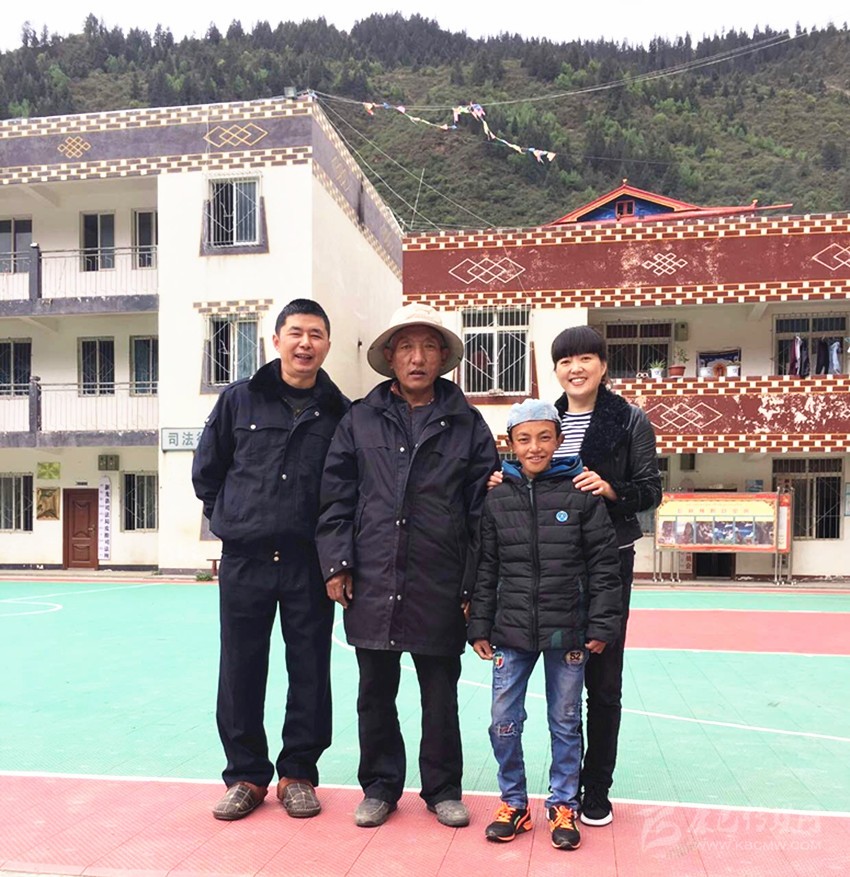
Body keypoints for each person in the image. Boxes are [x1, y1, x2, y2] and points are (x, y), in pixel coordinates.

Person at [317, 303, 500, 830]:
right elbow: (335, 498)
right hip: (372, 578)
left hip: (440, 581)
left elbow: (482, 515)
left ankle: (443, 789)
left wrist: (472, 585)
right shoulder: (359, 419)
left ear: (442, 357)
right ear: (390, 356)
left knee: (440, 694)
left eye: (427, 347)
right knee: (374, 693)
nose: (417, 358)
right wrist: (338, 564)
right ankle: (379, 787)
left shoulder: (468, 425)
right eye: (406, 347)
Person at [192, 299, 349, 821]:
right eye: (296, 332)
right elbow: (207, 473)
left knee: (310, 669)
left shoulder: (340, 412)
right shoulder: (239, 400)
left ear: (327, 345)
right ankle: (246, 776)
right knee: (240, 668)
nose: (306, 343)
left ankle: (298, 774)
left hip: (309, 563)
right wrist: (232, 519)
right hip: (246, 560)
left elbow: (348, 487)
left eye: (316, 334)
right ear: (276, 339)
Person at [469, 399, 622, 850]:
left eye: (543, 437)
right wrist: (479, 624)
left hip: (567, 631)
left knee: (565, 721)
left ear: (558, 440)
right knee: (503, 720)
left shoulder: (582, 494)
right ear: (511, 444)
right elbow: (486, 567)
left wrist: (601, 624)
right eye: (524, 439)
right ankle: (513, 803)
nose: (534, 447)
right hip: (510, 631)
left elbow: (604, 566)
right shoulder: (497, 498)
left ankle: (563, 806)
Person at [550, 325, 662, 825]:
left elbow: (651, 490)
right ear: (556, 369)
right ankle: (563, 783)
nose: (575, 368)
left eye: (585, 359)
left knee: (603, 681)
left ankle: (596, 788)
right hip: (555, 562)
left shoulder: (629, 418)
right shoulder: (546, 417)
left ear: (603, 366)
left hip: (610, 559)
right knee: (561, 682)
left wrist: (611, 488)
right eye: (565, 360)